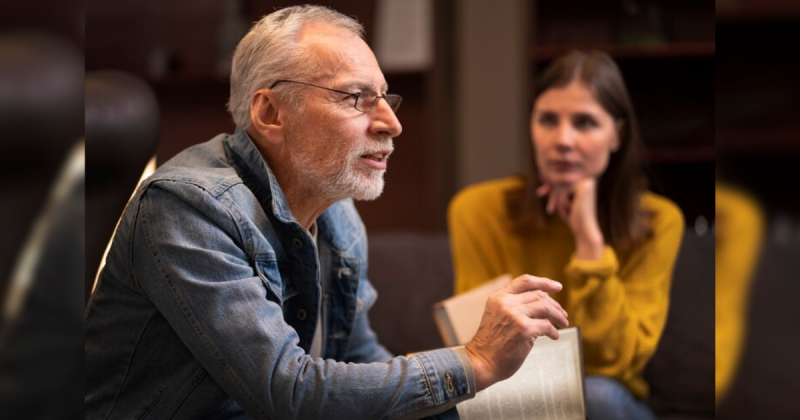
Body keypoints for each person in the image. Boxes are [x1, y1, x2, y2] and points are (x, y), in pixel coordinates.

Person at [84, 6, 569, 419]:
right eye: (357, 98)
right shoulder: (188, 207)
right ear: (270, 113)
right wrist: (474, 362)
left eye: (385, 97)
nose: (392, 124)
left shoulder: (338, 217)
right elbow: (286, 390)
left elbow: (358, 362)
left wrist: (476, 397)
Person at [448, 50, 684, 420]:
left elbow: (614, 362)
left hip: (607, 401)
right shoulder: (477, 210)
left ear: (617, 135)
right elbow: (481, 341)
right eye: (548, 120)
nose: (563, 139)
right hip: (517, 393)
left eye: (585, 123)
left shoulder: (658, 220)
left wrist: (589, 240)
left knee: (600, 395)